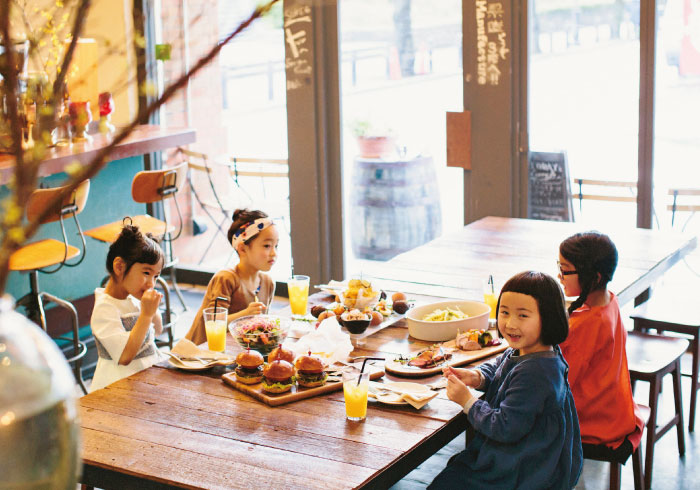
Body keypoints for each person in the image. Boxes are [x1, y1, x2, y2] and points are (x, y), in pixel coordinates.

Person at [429, 271, 582, 489]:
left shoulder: (536, 372)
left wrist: (467, 401)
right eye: (504, 312)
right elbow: (501, 367)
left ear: (548, 317)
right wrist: (477, 376)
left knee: (448, 483)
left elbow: (504, 427)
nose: (510, 323)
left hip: (526, 469)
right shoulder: (529, 350)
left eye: (522, 315)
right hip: (521, 455)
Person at [558, 231, 644, 458]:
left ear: (593, 278)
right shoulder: (609, 301)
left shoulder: (587, 325)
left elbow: (561, 385)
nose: (560, 277)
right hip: (616, 410)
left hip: (594, 424)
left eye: (565, 270)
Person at [90, 223, 166, 392]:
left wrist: (152, 311)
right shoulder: (105, 307)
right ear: (119, 266)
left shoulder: (136, 297)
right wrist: (145, 315)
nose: (151, 283)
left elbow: (159, 330)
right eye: (146, 273)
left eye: (156, 276)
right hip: (118, 388)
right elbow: (124, 356)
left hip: (147, 378)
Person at [185, 209, 278, 345]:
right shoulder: (226, 278)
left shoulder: (267, 283)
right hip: (201, 354)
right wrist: (246, 314)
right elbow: (213, 321)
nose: (274, 253)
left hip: (238, 350)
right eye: (267, 246)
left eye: (276, 245)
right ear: (242, 249)